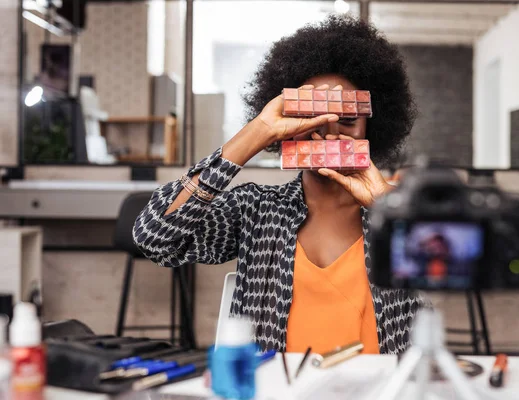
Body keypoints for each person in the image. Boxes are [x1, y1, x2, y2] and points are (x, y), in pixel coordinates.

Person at [133, 15, 427, 355]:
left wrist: (389, 208)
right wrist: (254, 134)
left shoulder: (397, 213)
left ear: (371, 128)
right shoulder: (256, 210)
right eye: (309, 116)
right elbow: (154, 238)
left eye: (347, 119)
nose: (329, 132)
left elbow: (468, 262)